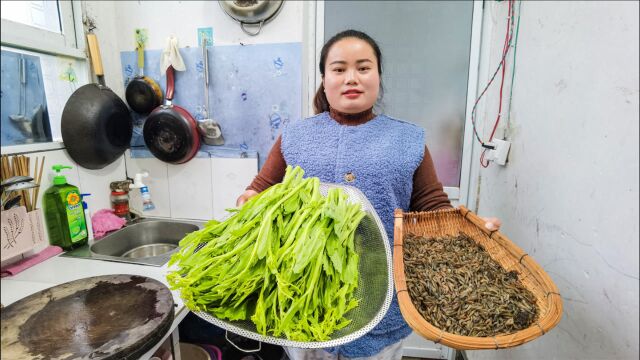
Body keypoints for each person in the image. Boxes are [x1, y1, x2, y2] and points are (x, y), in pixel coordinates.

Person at [236, 29, 501, 360]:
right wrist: (249, 200)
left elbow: (433, 208)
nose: (352, 78)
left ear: (378, 76)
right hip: (304, 293)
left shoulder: (408, 139)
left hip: (381, 299)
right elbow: (260, 188)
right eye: (338, 69)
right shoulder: (295, 137)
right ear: (324, 78)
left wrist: (470, 228)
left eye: (363, 68)